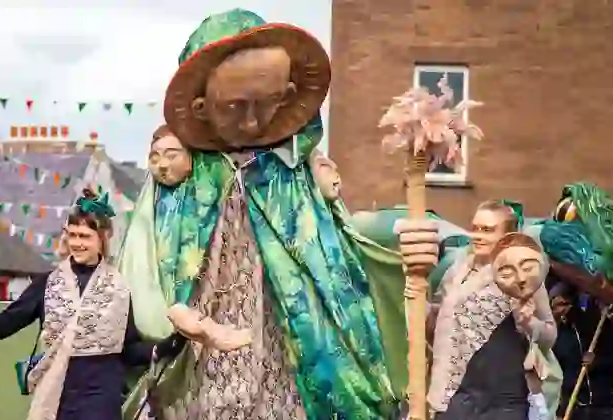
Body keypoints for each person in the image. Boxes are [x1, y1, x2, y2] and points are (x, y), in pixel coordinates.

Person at [122, 9, 443, 420]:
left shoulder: (294, 173)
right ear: (201, 106)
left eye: (269, 102)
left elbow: (341, 256)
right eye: (236, 106)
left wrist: (403, 250)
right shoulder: (178, 180)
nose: (254, 120)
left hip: (291, 373)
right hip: (196, 377)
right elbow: (141, 267)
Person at [0, 189, 185, 420]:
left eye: (85, 236)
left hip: (102, 399)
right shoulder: (48, 284)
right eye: (72, 235)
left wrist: (161, 348)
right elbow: (2, 325)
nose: (77, 243)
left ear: (102, 238)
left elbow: (127, 349)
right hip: (58, 395)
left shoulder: (117, 287)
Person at [427, 201, 556, 420]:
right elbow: (439, 322)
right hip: (456, 396)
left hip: (503, 401)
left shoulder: (523, 275)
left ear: (507, 236)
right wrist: (423, 308)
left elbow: (549, 335)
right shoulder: (457, 271)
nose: (477, 236)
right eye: (475, 228)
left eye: (487, 230)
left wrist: (528, 323)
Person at [550, 284, 613, 420]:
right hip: (569, 407)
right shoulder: (554, 334)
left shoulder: (600, 327)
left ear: (572, 303)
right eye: (554, 306)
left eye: (562, 304)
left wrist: (597, 362)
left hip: (599, 407)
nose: (559, 310)